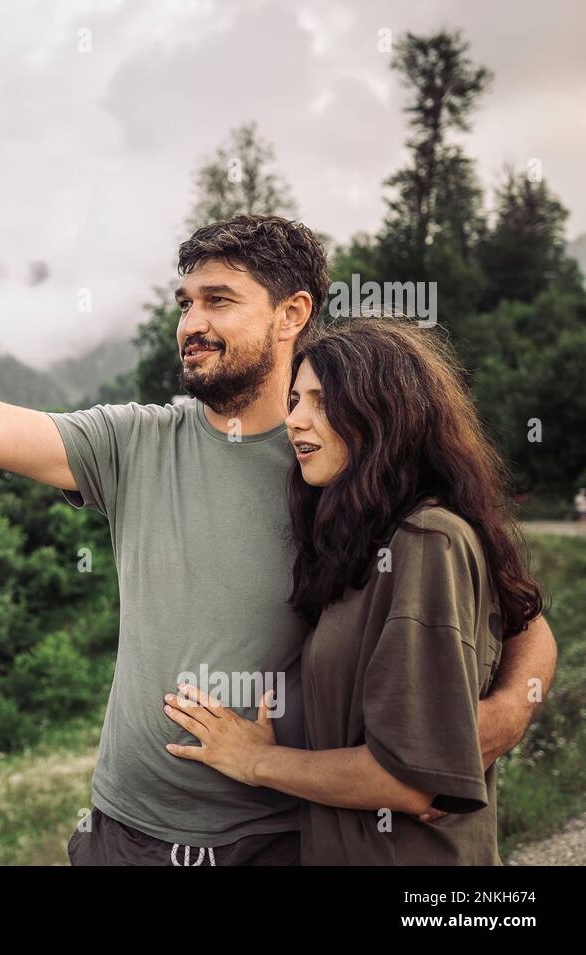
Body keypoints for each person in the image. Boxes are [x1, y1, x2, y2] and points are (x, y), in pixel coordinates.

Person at [0, 214, 558, 866]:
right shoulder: (136, 442)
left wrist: (485, 723)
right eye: (185, 302)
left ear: (293, 311)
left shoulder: (351, 461)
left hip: (275, 840)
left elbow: (517, 616)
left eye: (219, 300)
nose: (192, 322)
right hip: (119, 834)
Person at [163, 319, 543, 863]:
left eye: (320, 401)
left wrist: (255, 761)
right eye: (294, 401)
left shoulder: (427, 540)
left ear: (385, 412)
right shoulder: (363, 543)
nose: (294, 421)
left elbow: (411, 783)